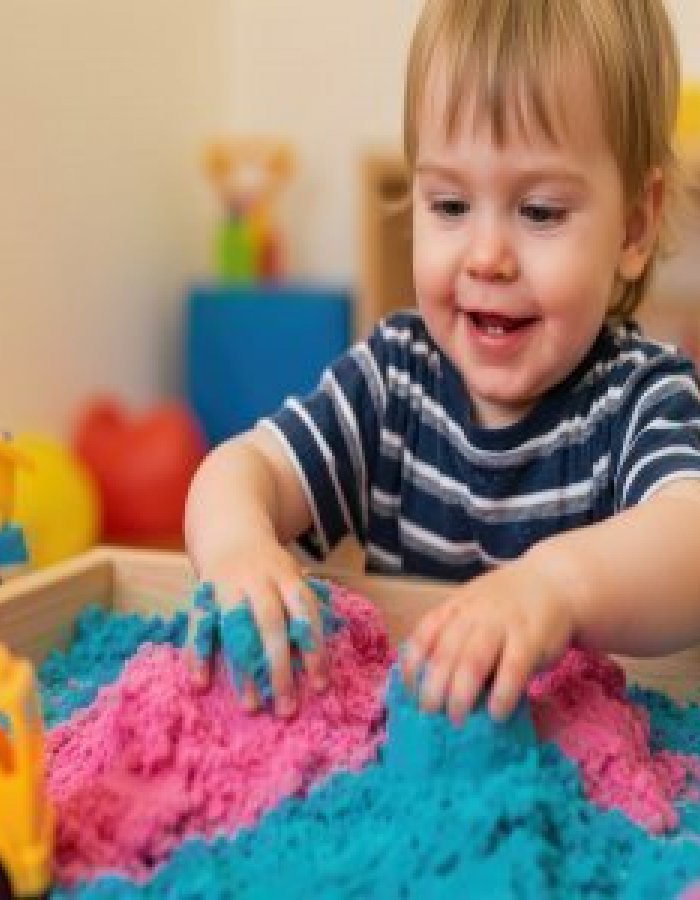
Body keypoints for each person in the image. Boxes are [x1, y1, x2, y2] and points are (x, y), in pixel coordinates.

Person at [185, 0, 700, 727]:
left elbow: (691, 534)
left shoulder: (642, 396)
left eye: (542, 211)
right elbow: (243, 469)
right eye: (451, 204)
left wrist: (553, 589)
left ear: (636, 224)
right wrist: (238, 546)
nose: (485, 257)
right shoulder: (394, 382)